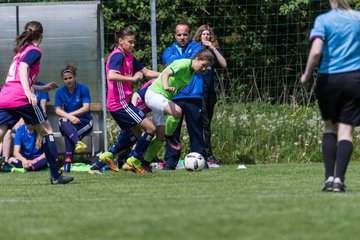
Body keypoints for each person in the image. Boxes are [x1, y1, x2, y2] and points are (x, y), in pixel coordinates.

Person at [0, 21, 73, 184]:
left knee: (1, 132)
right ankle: (55, 176)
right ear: (42, 35)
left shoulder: (20, 51)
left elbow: (17, 78)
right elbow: (23, 69)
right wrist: (28, 92)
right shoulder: (34, 50)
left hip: (5, 95)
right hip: (20, 97)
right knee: (47, 130)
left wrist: (42, 88)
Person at [300, 0, 360, 192]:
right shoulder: (358, 18)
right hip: (354, 79)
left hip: (329, 80)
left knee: (329, 128)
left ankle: (329, 179)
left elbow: (316, 50)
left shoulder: (323, 20)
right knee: (346, 132)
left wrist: (307, 74)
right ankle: (339, 180)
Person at [140, 49, 214, 170]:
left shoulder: (192, 73)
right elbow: (165, 74)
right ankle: (169, 136)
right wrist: (165, 86)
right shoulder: (183, 64)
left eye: (207, 67)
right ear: (196, 59)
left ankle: (143, 162)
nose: (204, 69)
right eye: (203, 65)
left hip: (160, 97)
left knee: (159, 137)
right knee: (177, 111)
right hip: (154, 94)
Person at [99, 27, 159, 174]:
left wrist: (166, 74)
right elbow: (112, 75)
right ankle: (134, 160)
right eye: (130, 42)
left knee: (137, 136)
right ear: (121, 41)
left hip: (122, 103)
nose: (133, 45)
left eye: (134, 42)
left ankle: (105, 159)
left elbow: (146, 72)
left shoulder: (129, 57)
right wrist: (132, 78)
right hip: (120, 104)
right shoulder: (117, 56)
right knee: (151, 129)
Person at [161, 21, 206, 170]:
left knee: (196, 130)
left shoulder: (198, 48)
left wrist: (179, 61)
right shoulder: (168, 51)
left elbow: (193, 61)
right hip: (175, 96)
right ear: (174, 36)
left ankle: (200, 159)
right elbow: (171, 63)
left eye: (185, 34)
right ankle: (170, 162)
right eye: (179, 34)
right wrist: (187, 60)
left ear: (189, 35)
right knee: (172, 131)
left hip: (194, 96)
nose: (182, 37)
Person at [89, 79, 155, 174]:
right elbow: (137, 94)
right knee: (131, 140)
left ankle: (97, 166)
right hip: (132, 115)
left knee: (129, 141)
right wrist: (133, 113)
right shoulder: (158, 81)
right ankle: (132, 162)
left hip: (135, 116)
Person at [193, 25, 227, 164]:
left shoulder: (214, 51)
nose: (206, 36)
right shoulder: (195, 50)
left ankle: (206, 153)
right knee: (202, 123)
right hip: (197, 92)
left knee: (207, 124)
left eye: (208, 34)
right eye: (203, 34)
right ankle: (205, 154)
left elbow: (224, 64)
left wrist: (213, 48)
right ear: (199, 36)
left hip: (210, 92)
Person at [0, 81, 51, 165]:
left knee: (48, 156)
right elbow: (16, 153)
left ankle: (33, 165)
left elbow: (46, 152)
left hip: (36, 160)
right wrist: (24, 160)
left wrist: (35, 160)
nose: (28, 122)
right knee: (12, 159)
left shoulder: (39, 130)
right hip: (24, 160)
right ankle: (10, 162)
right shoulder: (21, 130)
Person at [54, 64, 93, 167]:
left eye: (70, 78)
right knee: (64, 123)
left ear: (75, 77)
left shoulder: (83, 88)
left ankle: (68, 162)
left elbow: (86, 108)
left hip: (85, 122)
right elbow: (57, 110)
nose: (68, 81)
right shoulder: (60, 92)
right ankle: (77, 142)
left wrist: (69, 115)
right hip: (69, 123)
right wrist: (70, 117)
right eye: (65, 79)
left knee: (68, 132)